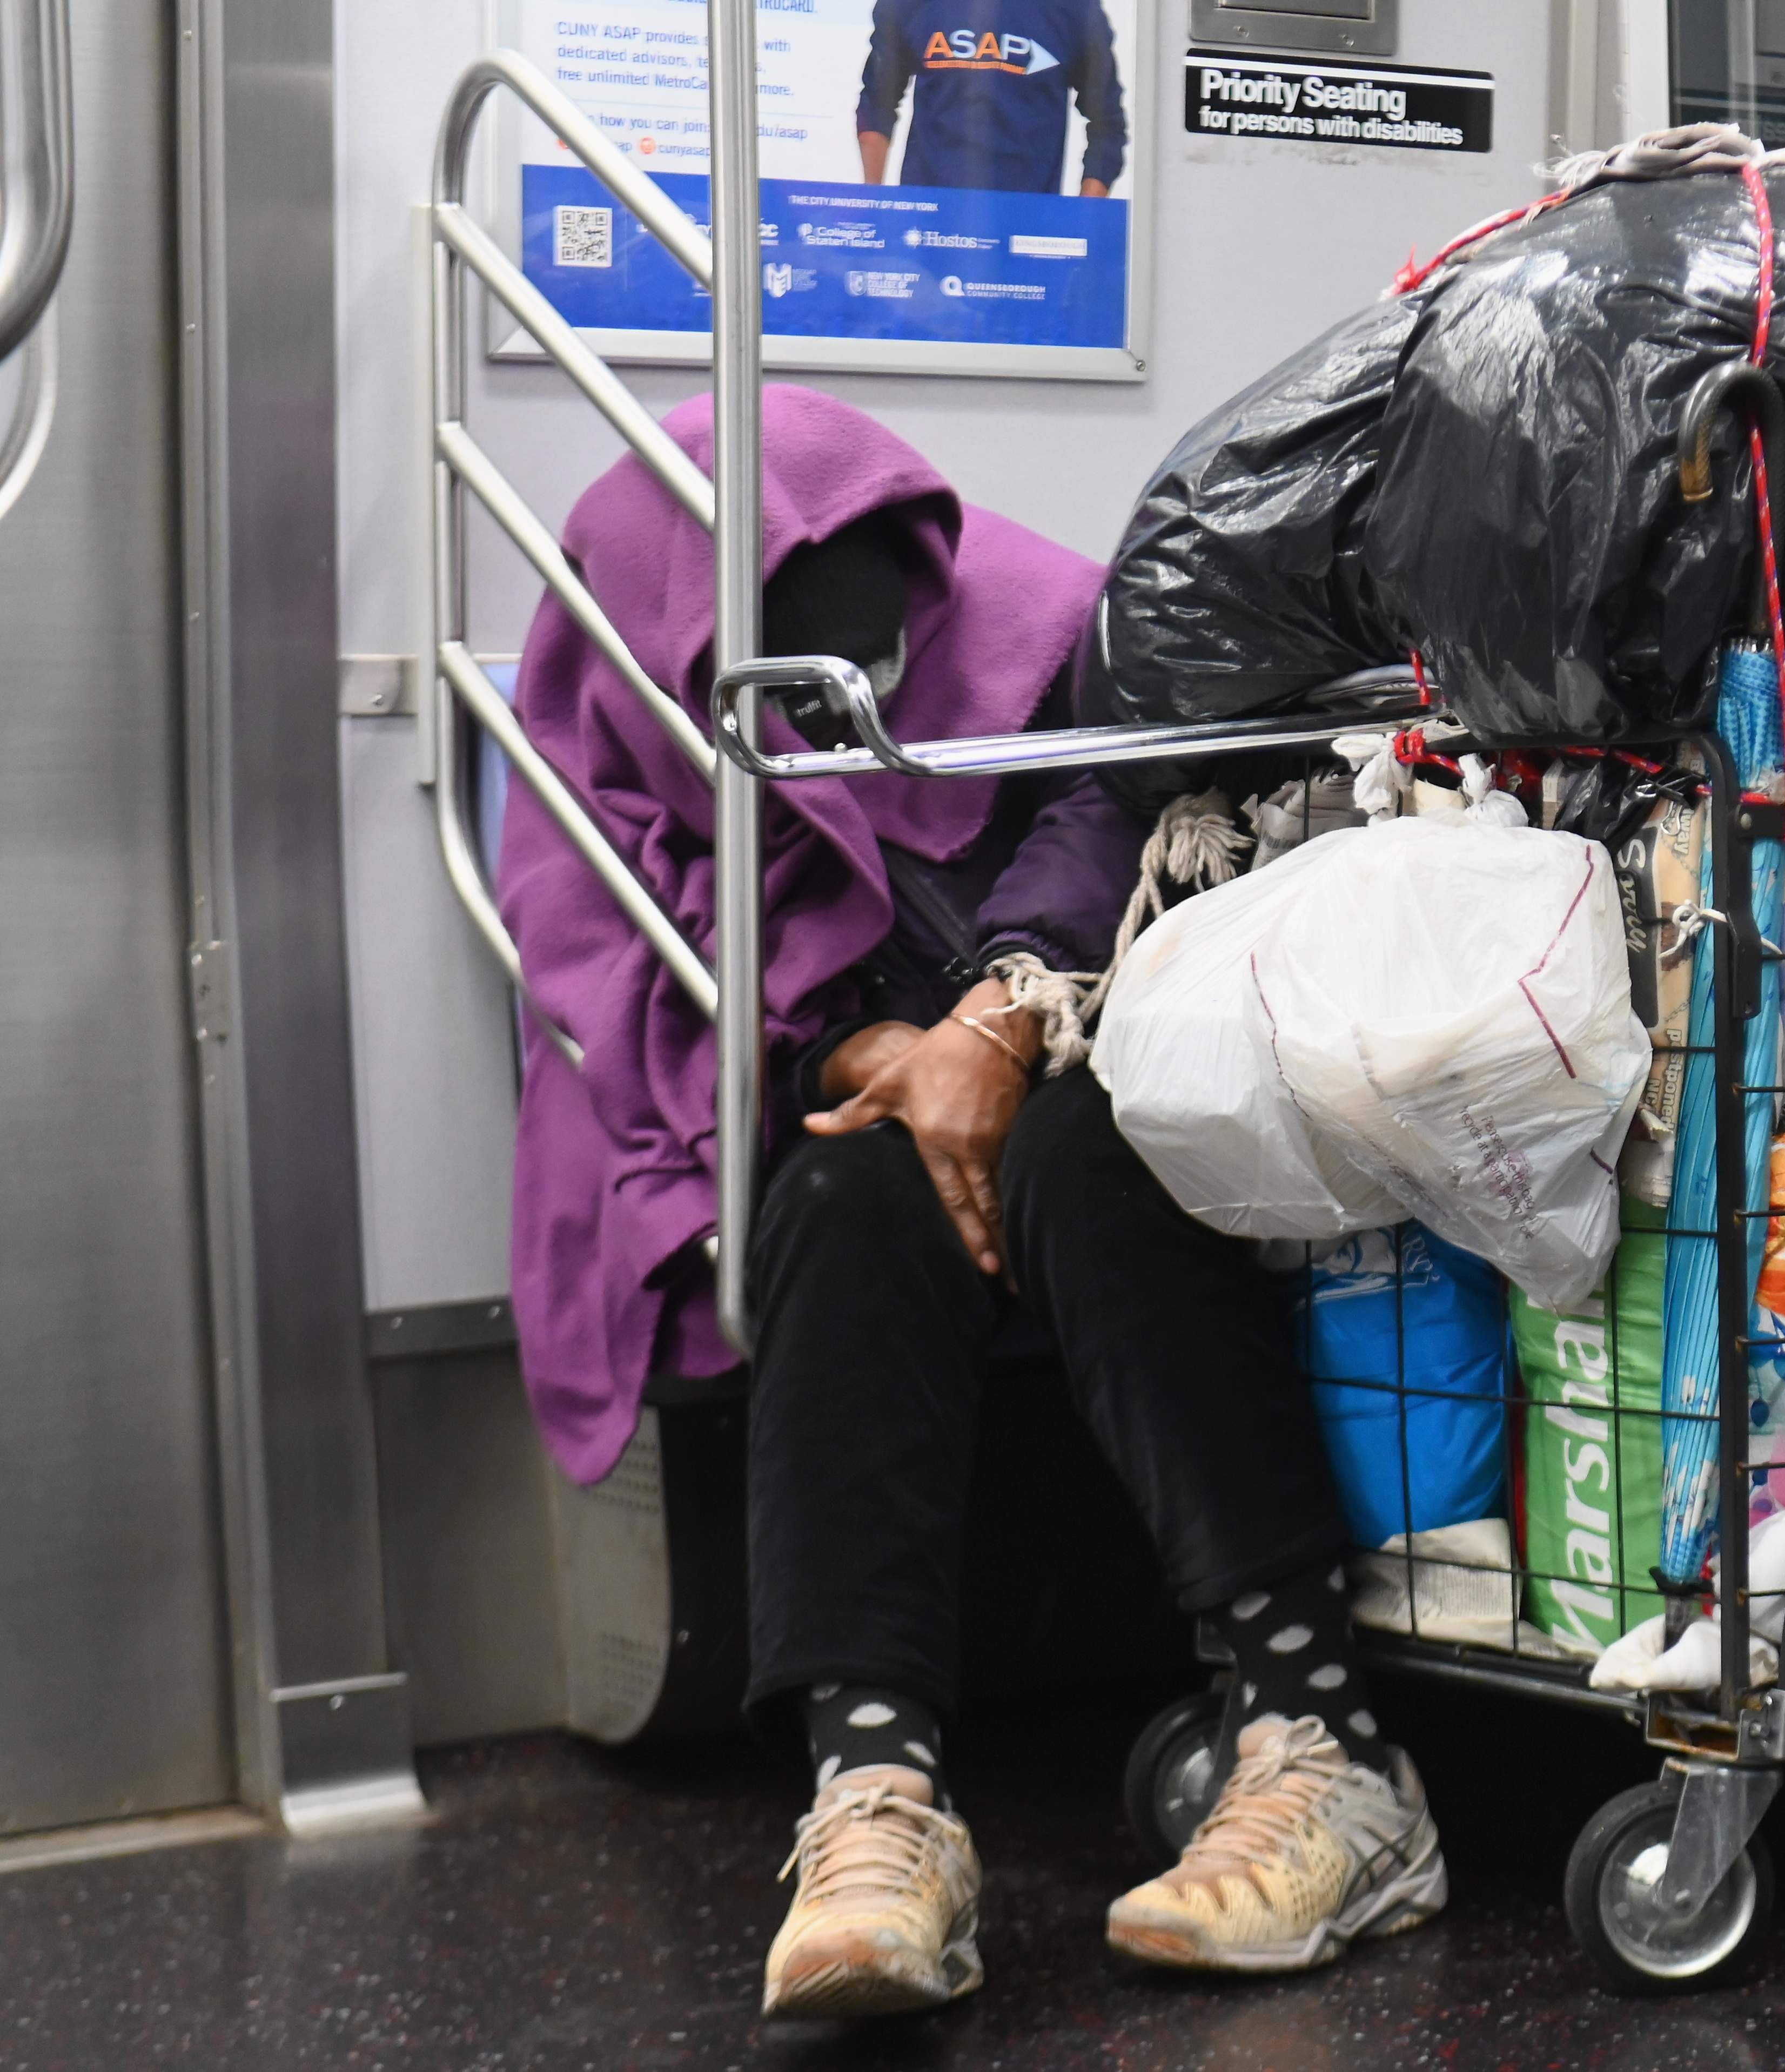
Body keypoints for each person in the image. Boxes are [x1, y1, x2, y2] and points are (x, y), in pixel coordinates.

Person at [496, 386, 1442, 2022]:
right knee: (846, 1201)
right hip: (843, 1063)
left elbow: (1104, 805)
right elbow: (617, 934)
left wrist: (996, 1019)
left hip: (1066, 1008)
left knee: (1105, 1147)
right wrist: (874, 1041)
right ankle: (876, 1802)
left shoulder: (1033, 615)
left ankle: (1326, 1750)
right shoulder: (606, 703)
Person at [856, 0, 1128, 195]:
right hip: (926, 227)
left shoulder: (1074, 9)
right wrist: (875, 207)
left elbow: (1108, 127)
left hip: (1027, 231)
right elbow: (877, 104)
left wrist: (1082, 228)